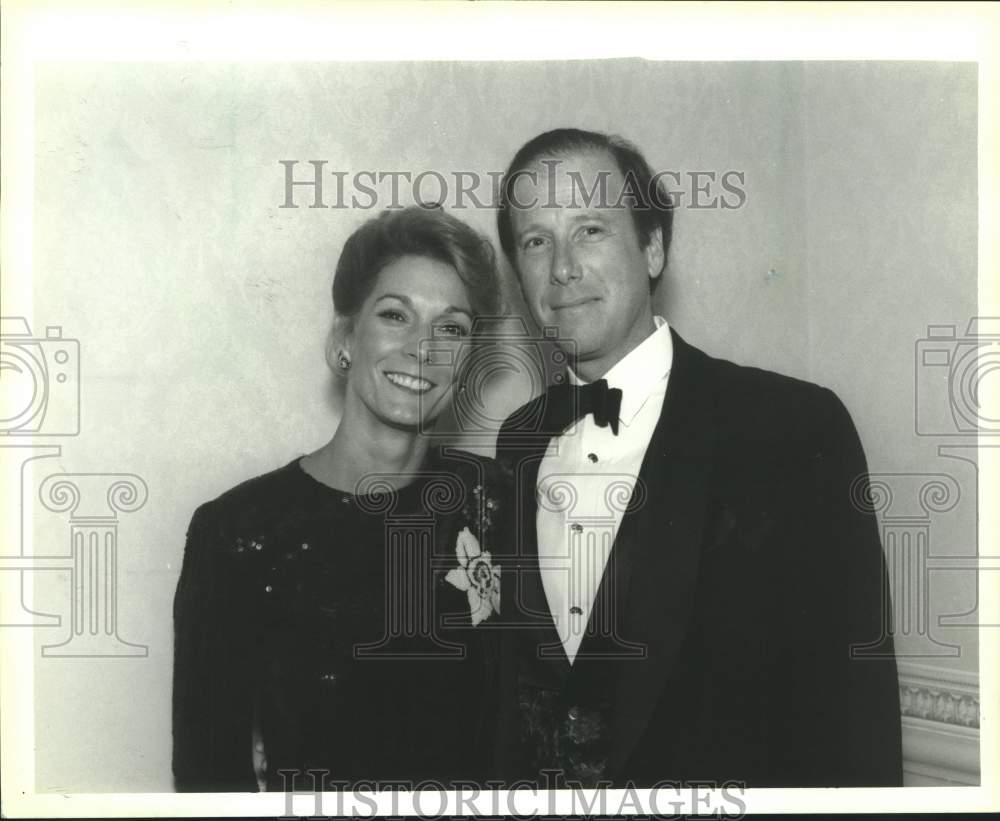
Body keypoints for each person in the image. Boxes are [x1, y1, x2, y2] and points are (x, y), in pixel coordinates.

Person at [492, 128, 903, 788]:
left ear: (653, 247)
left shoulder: (794, 428)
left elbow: (854, 714)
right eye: (535, 240)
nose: (561, 266)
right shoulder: (515, 443)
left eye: (591, 229)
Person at [172, 206, 509, 792]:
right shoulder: (236, 532)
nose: (423, 349)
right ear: (345, 338)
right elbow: (209, 774)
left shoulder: (499, 502)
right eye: (395, 316)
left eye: (451, 328)